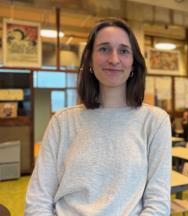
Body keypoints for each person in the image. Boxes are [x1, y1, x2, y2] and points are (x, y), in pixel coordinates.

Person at [25, 18, 171, 215]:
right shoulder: (62, 122)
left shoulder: (155, 121)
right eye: (104, 49)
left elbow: (158, 205)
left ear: (134, 63)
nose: (114, 59)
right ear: (90, 59)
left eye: (124, 51)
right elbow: (37, 201)